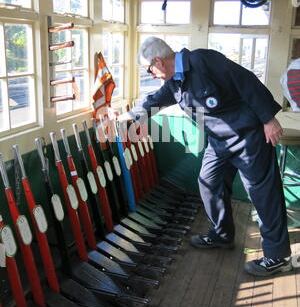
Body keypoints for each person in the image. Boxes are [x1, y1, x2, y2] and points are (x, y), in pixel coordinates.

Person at [110, 36, 291, 277]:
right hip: (218, 142)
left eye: (149, 69)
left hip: (249, 137)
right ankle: (222, 234)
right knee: (208, 183)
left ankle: (277, 256)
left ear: (158, 61)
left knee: (262, 194)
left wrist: (268, 119)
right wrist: (127, 116)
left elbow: (246, 82)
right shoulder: (175, 83)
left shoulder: (203, 60)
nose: (151, 74)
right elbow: (154, 101)